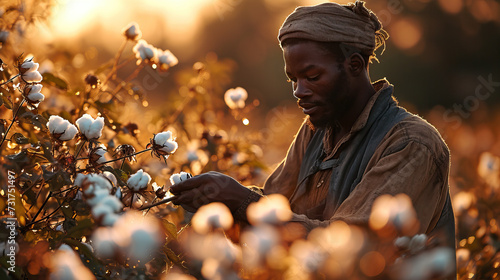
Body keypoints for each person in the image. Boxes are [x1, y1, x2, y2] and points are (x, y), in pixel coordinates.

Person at [171, 0, 455, 267]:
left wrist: (242, 201)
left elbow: (353, 252)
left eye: (312, 77)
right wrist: (222, 201)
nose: (299, 91)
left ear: (354, 65)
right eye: (293, 79)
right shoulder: (314, 133)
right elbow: (272, 208)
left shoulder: (411, 144)